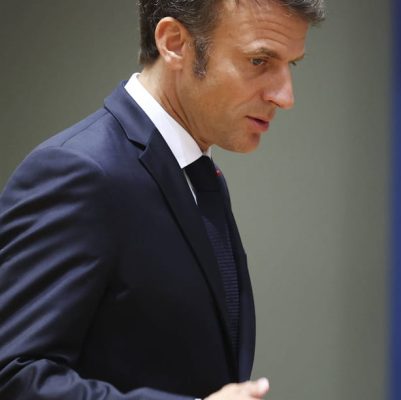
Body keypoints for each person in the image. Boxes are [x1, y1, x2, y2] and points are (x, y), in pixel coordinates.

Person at [0, 0, 323, 398]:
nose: (285, 96)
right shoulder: (79, 171)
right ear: (174, 43)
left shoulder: (199, 173)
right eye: (260, 61)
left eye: (292, 65)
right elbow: (12, 375)